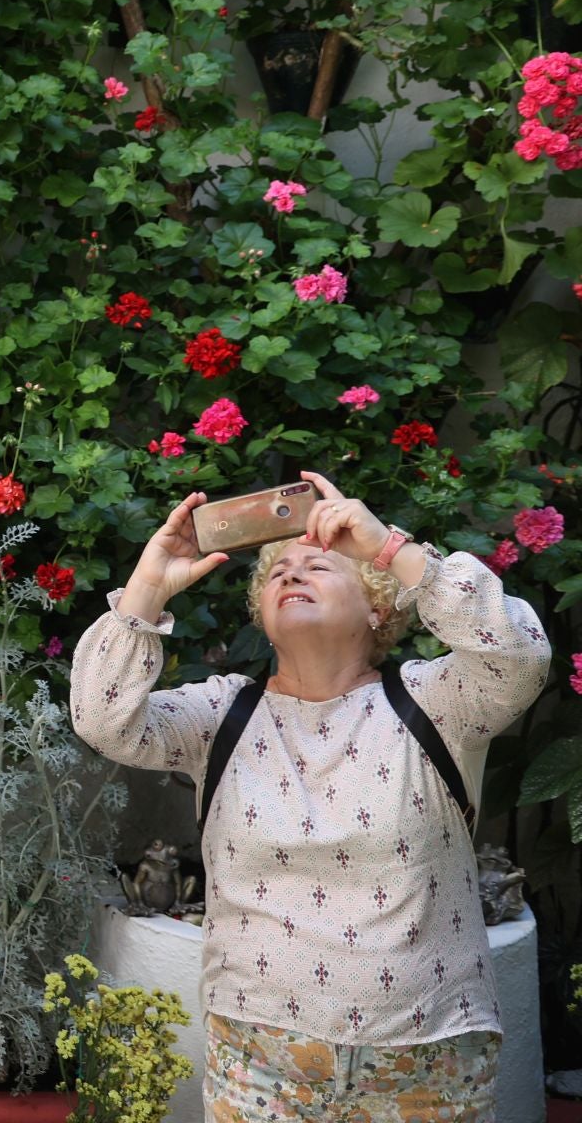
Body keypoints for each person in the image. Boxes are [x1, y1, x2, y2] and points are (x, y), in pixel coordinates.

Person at [70, 470, 549, 1121]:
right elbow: (102, 719)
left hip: (428, 1060)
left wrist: (390, 549)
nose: (293, 572)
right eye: (278, 571)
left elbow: (519, 656)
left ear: (379, 607)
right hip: (260, 1063)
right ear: (262, 617)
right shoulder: (221, 715)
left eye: (319, 565)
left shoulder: (436, 703)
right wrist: (148, 587)